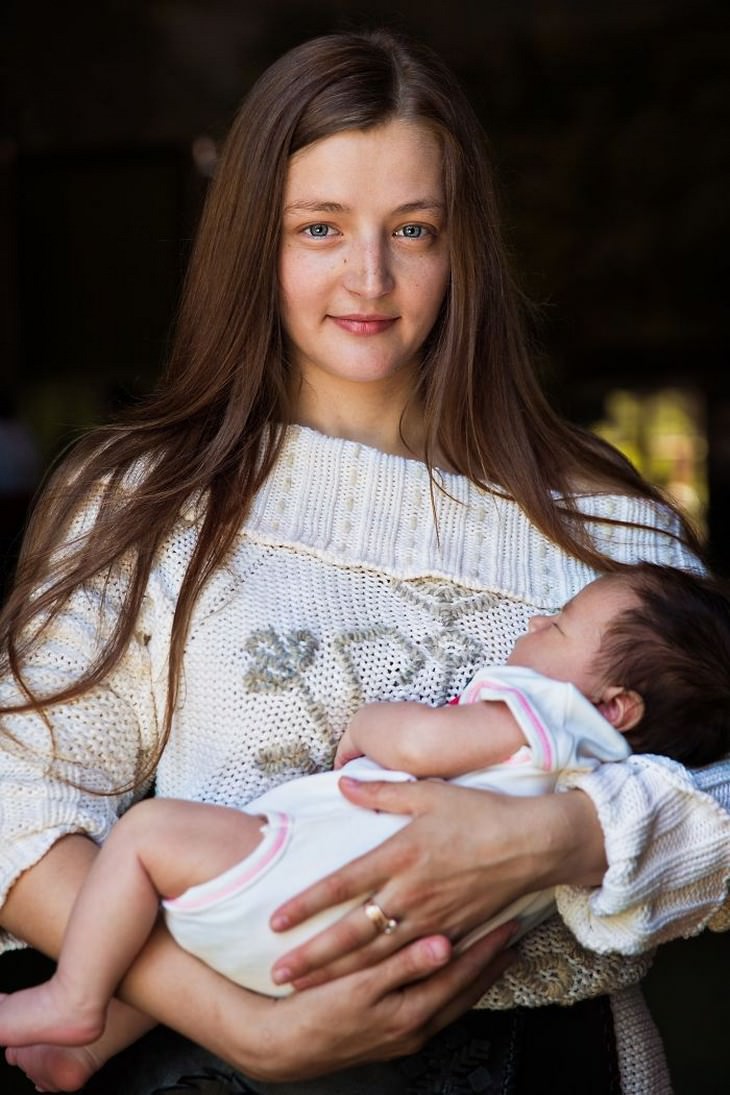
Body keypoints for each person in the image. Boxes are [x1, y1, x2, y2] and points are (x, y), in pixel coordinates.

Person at [1, 27, 728, 1095]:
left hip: (559, 1070)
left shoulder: (604, 522)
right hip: (219, 1069)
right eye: (320, 227)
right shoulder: (155, 498)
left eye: (414, 228)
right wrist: (243, 1025)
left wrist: (560, 840)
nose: (369, 277)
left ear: (462, 245)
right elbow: (15, 802)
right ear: (257, 240)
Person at [1, 562, 729, 1084]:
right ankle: (86, 1050)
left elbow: (417, 744)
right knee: (205, 946)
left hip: (305, 877)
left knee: (146, 839)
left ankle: (75, 998)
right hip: (374, 962)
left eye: (561, 623)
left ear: (614, 708)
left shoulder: (548, 717)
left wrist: (371, 725)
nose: (539, 620)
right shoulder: (612, 768)